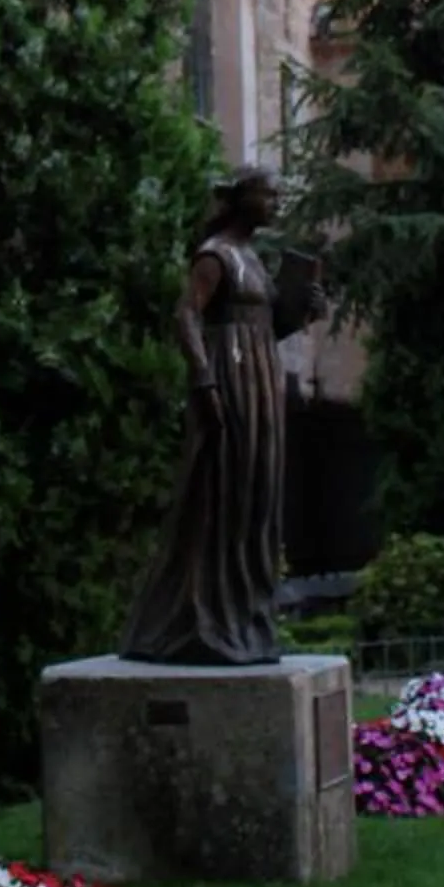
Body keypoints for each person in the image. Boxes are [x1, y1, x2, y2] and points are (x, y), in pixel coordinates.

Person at [120, 167, 319, 667]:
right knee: (226, 494)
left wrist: (302, 311)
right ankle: (208, 616)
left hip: (259, 385)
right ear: (242, 199)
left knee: (256, 495)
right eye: (267, 194)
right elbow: (186, 314)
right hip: (230, 384)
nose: (275, 202)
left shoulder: (253, 259)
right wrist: (203, 379)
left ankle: (247, 615)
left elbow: (263, 330)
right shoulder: (216, 255)